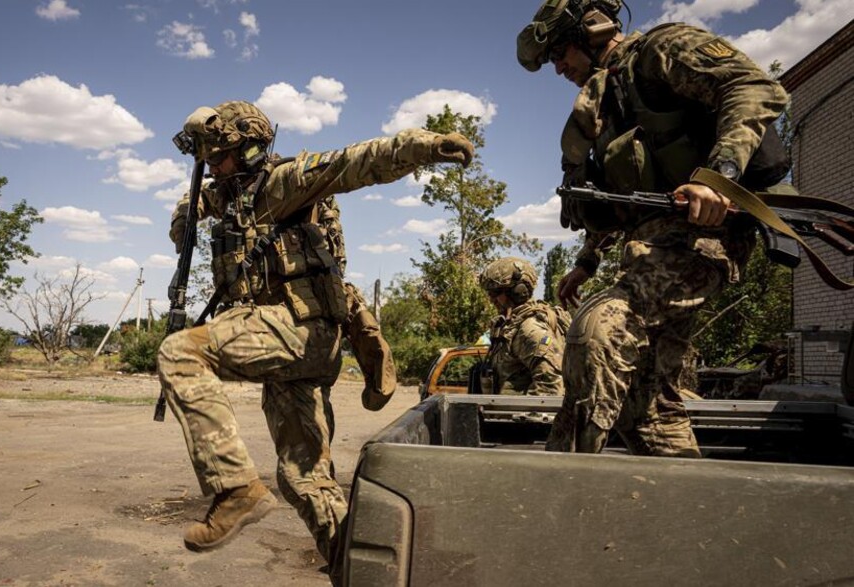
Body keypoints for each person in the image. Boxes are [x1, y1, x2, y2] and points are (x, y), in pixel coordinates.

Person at [158, 100, 473, 561]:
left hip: (302, 331)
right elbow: (190, 207)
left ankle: (234, 489)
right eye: (205, 157)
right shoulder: (227, 192)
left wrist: (424, 146)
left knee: (180, 352)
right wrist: (184, 215)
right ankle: (356, 567)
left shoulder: (284, 182)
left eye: (218, 155)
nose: (211, 166)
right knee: (302, 477)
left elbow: (356, 161)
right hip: (285, 345)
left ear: (249, 148)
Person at [516, 0, 791, 456]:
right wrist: (586, 262)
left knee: (599, 330)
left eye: (561, 51)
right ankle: (681, 499)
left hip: (705, 237)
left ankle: (562, 485)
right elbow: (620, 196)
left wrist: (718, 178)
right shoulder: (604, 105)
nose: (558, 66)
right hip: (653, 244)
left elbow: (752, 87)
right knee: (646, 401)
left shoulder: (660, 51)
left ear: (593, 30)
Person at [478, 257, 569, 396]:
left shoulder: (530, 329)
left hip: (521, 416)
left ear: (518, 291)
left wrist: (523, 416)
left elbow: (551, 388)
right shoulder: (510, 325)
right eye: (489, 293)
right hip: (504, 415)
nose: (491, 299)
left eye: (495, 293)